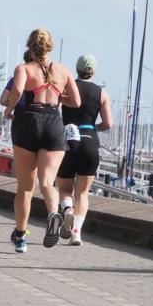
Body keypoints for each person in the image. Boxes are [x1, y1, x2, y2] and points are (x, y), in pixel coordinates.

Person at [2, 29, 80, 253]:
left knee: (25, 187)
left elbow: (16, 91)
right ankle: (54, 212)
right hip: (54, 122)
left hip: (28, 123)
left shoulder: (24, 69)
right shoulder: (63, 71)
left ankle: (20, 237)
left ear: (29, 46)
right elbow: (75, 101)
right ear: (50, 47)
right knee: (47, 182)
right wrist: (55, 94)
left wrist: (9, 109)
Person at [57, 54, 112, 246]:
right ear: (94, 71)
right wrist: (94, 128)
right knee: (82, 193)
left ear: (77, 69)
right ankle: (76, 233)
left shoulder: (66, 88)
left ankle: (67, 211)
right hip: (90, 141)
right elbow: (108, 123)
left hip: (68, 139)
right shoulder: (101, 93)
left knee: (64, 189)